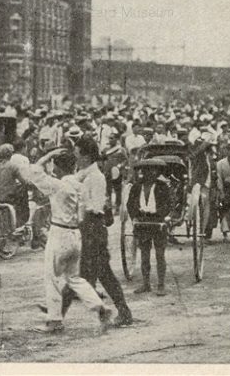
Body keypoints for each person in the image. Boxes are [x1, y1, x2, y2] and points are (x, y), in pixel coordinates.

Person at [19, 148, 112, 334]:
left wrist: (47, 155)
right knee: (74, 278)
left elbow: (34, 172)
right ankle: (100, 308)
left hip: (60, 232)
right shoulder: (80, 185)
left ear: (57, 167)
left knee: (52, 277)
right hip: (76, 233)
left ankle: (55, 321)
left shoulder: (57, 185)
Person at [63, 136, 134, 326]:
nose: (75, 157)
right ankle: (124, 312)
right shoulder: (82, 174)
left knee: (83, 275)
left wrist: (78, 225)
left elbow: (94, 208)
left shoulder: (96, 177)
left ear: (86, 157)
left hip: (92, 228)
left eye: (77, 154)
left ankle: (56, 314)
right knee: (100, 274)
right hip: (87, 228)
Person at [126, 159, 171, 296]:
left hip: (158, 222)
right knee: (144, 255)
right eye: (146, 170)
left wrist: (160, 215)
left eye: (153, 170)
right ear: (142, 172)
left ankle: (161, 284)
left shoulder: (162, 186)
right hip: (142, 223)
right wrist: (137, 215)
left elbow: (168, 204)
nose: (150, 173)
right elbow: (130, 204)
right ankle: (146, 284)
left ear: (157, 172)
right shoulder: (136, 187)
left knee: (159, 254)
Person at [0, 144, 29, 227]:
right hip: (8, 198)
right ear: (10, 154)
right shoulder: (13, 166)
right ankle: (19, 224)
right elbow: (24, 182)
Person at [102, 133, 127, 216]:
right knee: (108, 190)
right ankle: (108, 208)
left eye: (112, 138)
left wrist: (120, 166)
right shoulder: (106, 149)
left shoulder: (121, 149)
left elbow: (125, 160)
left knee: (117, 190)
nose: (110, 140)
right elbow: (102, 160)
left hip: (117, 172)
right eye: (109, 138)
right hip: (108, 172)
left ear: (116, 139)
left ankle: (117, 207)